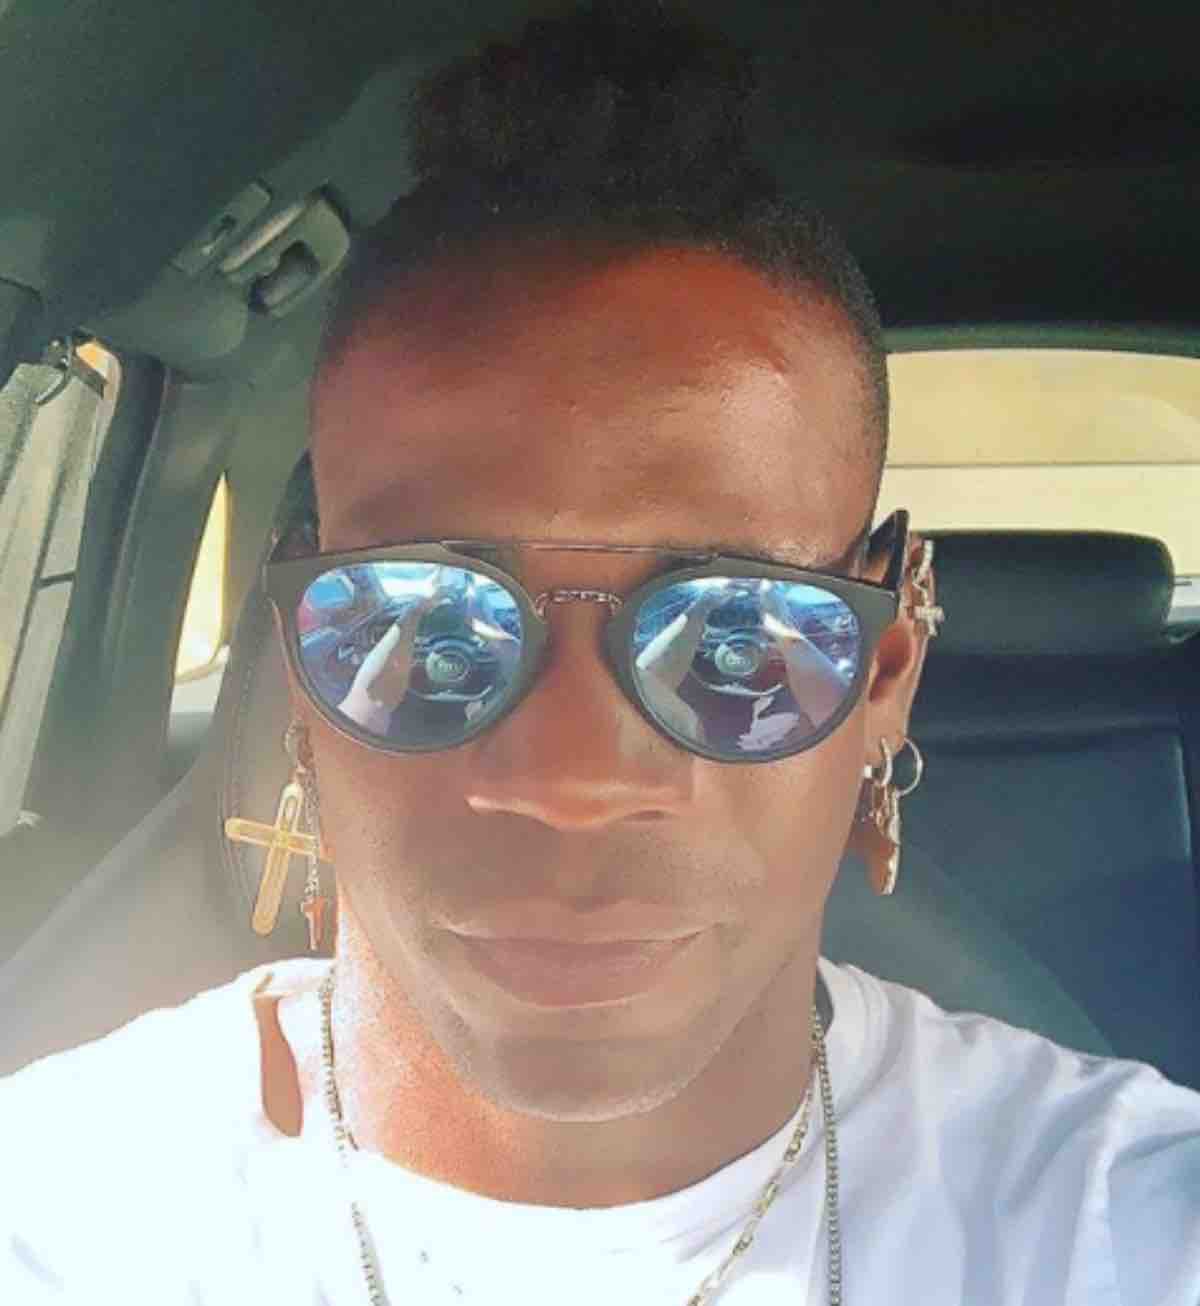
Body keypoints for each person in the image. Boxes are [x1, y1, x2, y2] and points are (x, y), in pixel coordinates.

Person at [2, 5, 1198, 1304]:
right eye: (425, 624)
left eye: (736, 636)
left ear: (882, 681)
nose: (570, 780)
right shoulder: (63, 1217)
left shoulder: (1121, 1221)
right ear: (300, 668)